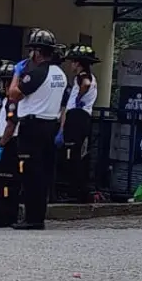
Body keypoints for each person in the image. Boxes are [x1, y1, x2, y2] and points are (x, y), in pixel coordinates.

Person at [7, 29, 68, 230]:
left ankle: (32, 218)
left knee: (30, 173)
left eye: (32, 51)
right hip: (50, 126)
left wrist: (17, 74)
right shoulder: (60, 74)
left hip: (32, 127)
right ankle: (38, 216)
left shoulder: (38, 73)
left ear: (37, 53)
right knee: (43, 174)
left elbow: (13, 95)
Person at [57, 44, 99, 203]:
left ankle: (73, 192)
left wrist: (78, 98)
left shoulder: (82, 75)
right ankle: (78, 190)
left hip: (77, 117)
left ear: (78, 63)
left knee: (71, 155)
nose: (71, 65)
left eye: (73, 62)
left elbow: (85, 84)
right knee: (77, 155)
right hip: (82, 117)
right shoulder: (90, 76)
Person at [0, 59, 22, 227]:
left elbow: (11, 125)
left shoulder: (12, 102)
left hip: (9, 143)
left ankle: (5, 217)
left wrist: (1, 145)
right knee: (0, 181)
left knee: (7, 181)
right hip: (5, 141)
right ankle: (0, 215)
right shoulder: (6, 100)